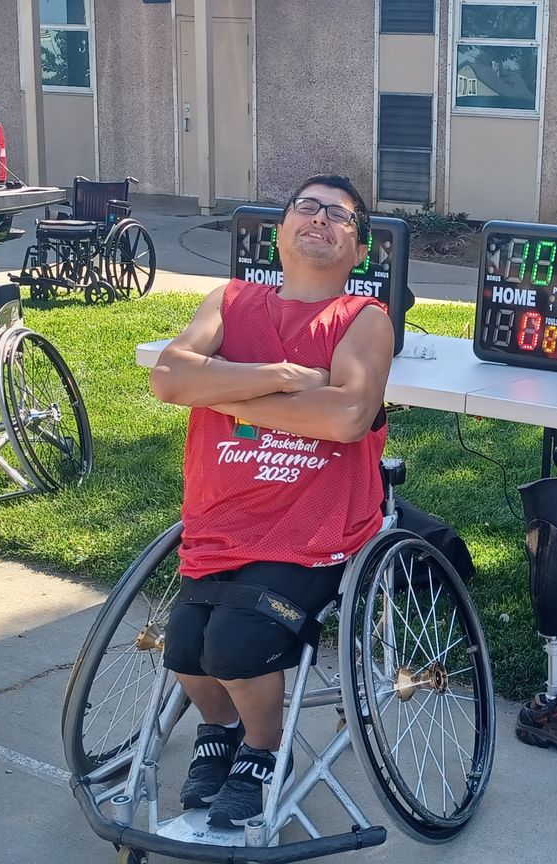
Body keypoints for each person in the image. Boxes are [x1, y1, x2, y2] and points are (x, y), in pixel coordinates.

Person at [147, 175, 394, 827]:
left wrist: (221, 393)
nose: (320, 218)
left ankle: (261, 749)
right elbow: (168, 378)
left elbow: (346, 416)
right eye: (306, 207)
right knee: (184, 647)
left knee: (234, 643)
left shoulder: (364, 319)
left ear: (359, 249)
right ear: (279, 232)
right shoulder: (229, 300)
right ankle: (221, 728)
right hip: (222, 518)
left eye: (339, 215)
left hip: (314, 526)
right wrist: (283, 378)